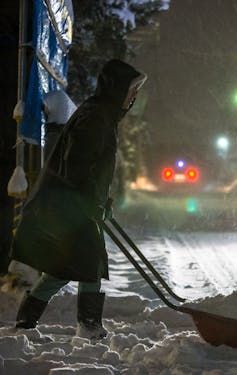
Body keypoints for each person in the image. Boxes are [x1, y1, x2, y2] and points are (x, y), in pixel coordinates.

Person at [10, 59, 147, 339]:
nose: (133, 97)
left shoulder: (101, 114)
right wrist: (89, 200)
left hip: (72, 204)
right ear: (116, 89)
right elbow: (78, 164)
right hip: (67, 205)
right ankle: (88, 325)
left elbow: (93, 169)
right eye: (130, 91)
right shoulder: (96, 117)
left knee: (71, 264)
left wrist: (100, 201)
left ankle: (29, 319)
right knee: (88, 259)